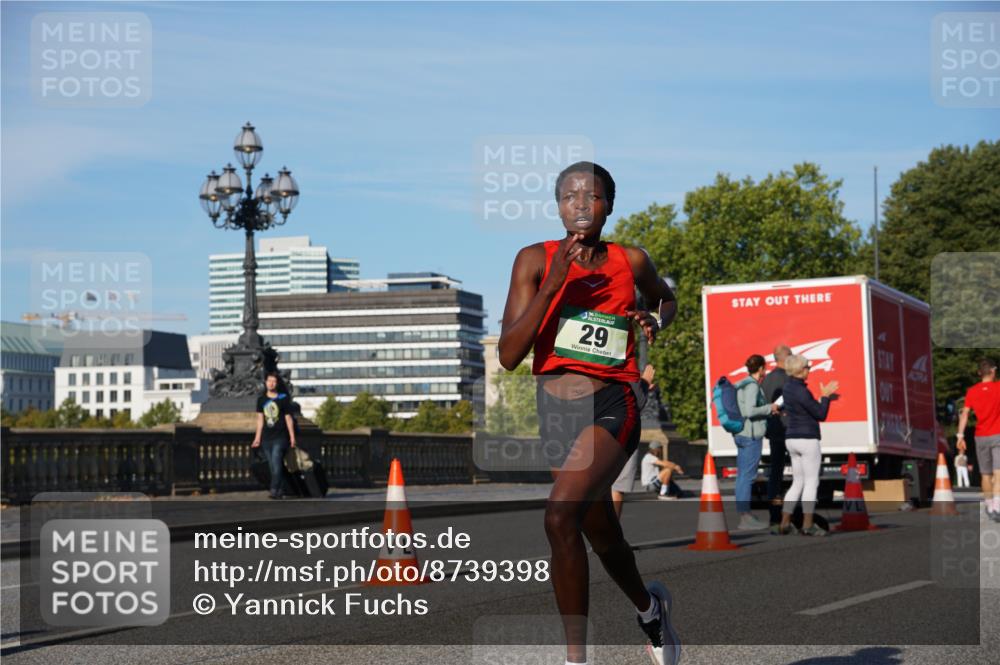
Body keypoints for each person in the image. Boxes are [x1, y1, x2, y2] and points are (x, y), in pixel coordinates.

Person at [498, 161, 680, 665]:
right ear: (558, 207)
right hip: (557, 409)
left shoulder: (631, 260)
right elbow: (509, 355)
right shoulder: (534, 260)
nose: (580, 204)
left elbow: (666, 300)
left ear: (609, 205)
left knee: (560, 515)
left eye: (592, 195)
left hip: (613, 400)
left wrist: (655, 320)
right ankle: (650, 609)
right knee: (600, 531)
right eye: (569, 196)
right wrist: (552, 285)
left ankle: (575, 659)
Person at [777, 354, 838, 536]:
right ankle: (808, 524)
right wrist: (825, 397)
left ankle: (784, 523)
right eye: (808, 367)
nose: (809, 370)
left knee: (797, 482)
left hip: (791, 438)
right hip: (807, 438)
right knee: (811, 482)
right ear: (801, 370)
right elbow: (820, 414)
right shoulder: (802, 391)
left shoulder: (787, 388)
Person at [733, 354, 777, 530]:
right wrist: (770, 408)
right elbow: (750, 411)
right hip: (751, 435)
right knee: (747, 477)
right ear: (760, 368)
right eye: (764, 367)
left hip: (741, 433)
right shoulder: (752, 385)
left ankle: (745, 515)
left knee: (742, 476)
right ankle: (745, 517)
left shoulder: (742, 384)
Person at [956, 358, 1000, 522]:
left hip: (980, 436)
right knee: (999, 472)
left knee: (986, 474)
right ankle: (997, 507)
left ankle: (989, 506)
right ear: (993, 371)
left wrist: (960, 436)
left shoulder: (972, 391)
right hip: (998, 435)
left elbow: (965, 414)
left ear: (979, 373)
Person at [612, 363, 658, 516]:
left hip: (595, 428)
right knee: (617, 488)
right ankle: (610, 530)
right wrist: (644, 383)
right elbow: (636, 402)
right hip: (623, 431)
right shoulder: (625, 368)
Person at [761, 344, 791, 534]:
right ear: (785, 358)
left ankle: (774, 515)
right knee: (800, 475)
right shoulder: (788, 379)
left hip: (773, 429)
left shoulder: (767, 379)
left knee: (775, 474)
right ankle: (792, 515)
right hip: (789, 429)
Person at [252, 371, 297, 500]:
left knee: (276, 463)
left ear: (277, 384)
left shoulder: (283, 398)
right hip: (266, 438)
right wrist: (257, 438)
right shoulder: (261, 400)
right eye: (269, 381)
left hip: (280, 437)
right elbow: (260, 420)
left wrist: (292, 437)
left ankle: (273, 489)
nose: (271, 383)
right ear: (265, 382)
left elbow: (288, 419)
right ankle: (281, 489)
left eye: (274, 381)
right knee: (272, 467)